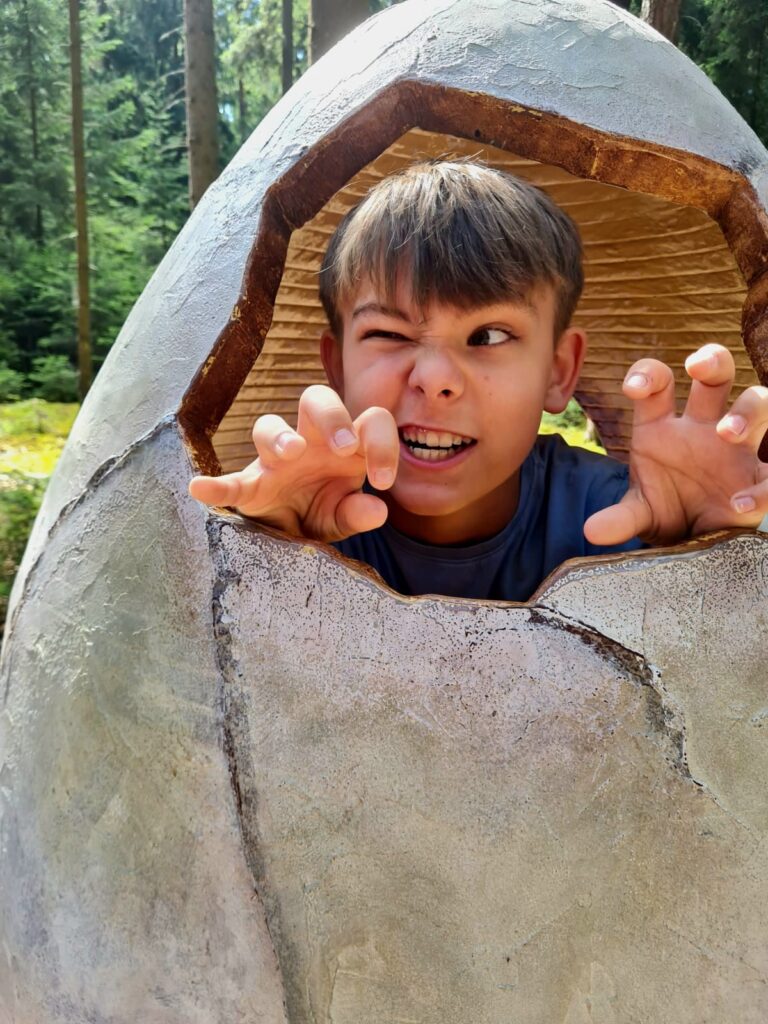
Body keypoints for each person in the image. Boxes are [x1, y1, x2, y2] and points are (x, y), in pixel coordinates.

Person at [189, 161, 768, 601]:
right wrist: (272, 547)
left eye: (488, 336)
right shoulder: (307, 513)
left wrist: (705, 544)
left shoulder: (627, 515)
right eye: (388, 333)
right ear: (337, 368)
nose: (435, 379)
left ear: (558, 371)